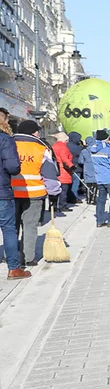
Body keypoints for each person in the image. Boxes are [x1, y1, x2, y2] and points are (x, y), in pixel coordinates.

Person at [12, 120, 60, 266]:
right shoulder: (41, 149)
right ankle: (28, 257)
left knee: (11, 227)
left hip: (10, 194)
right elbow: (50, 175)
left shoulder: (8, 145)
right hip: (33, 194)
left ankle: (11, 256)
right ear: (33, 133)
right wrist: (53, 194)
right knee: (30, 226)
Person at [0, 114, 28, 280]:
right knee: (9, 229)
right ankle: (14, 269)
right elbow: (12, 166)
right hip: (2, 192)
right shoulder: (5, 139)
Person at [89, 130, 110, 228]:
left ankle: (99, 221)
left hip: (100, 179)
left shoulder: (93, 150)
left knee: (101, 200)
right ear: (106, 139)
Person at [51, 132, 75, 212]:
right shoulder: (63, 147)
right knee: (63, 190)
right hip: (63, 171)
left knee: (55, 190)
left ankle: (53, 206)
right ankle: (62, 206)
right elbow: (65, 158)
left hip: (55, 170)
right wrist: (71, 166)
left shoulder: (54, 146)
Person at [65, 131, 84, 204]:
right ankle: (74, 197)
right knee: (75, 184)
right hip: (76, 167)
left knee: (68, 184)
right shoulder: (78, 148)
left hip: (67, 167)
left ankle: (68, 197)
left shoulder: (66, 146)